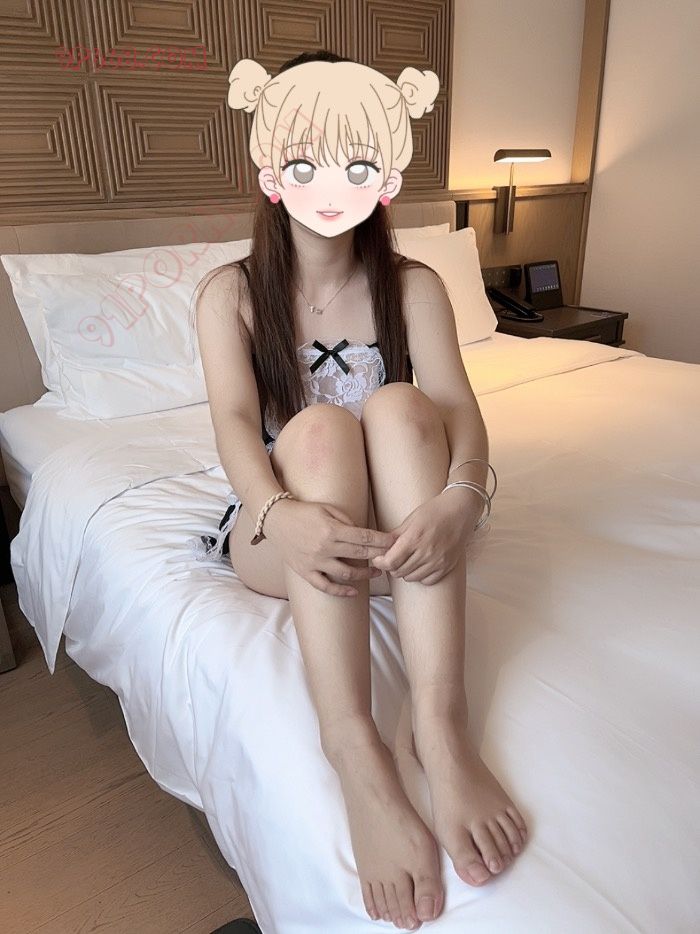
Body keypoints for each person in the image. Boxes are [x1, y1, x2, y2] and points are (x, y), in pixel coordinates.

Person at [190, 50, 528, 929]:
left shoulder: (413, 286)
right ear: (272, 169)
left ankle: (439, 727)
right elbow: (235, 424)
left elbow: (460, 411)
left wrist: (459, 500)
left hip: (402, 524)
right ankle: (355, 748)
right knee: (317, 430)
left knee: (405, 407)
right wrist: (280, 516)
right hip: (284, 530)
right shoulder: (230, 294)